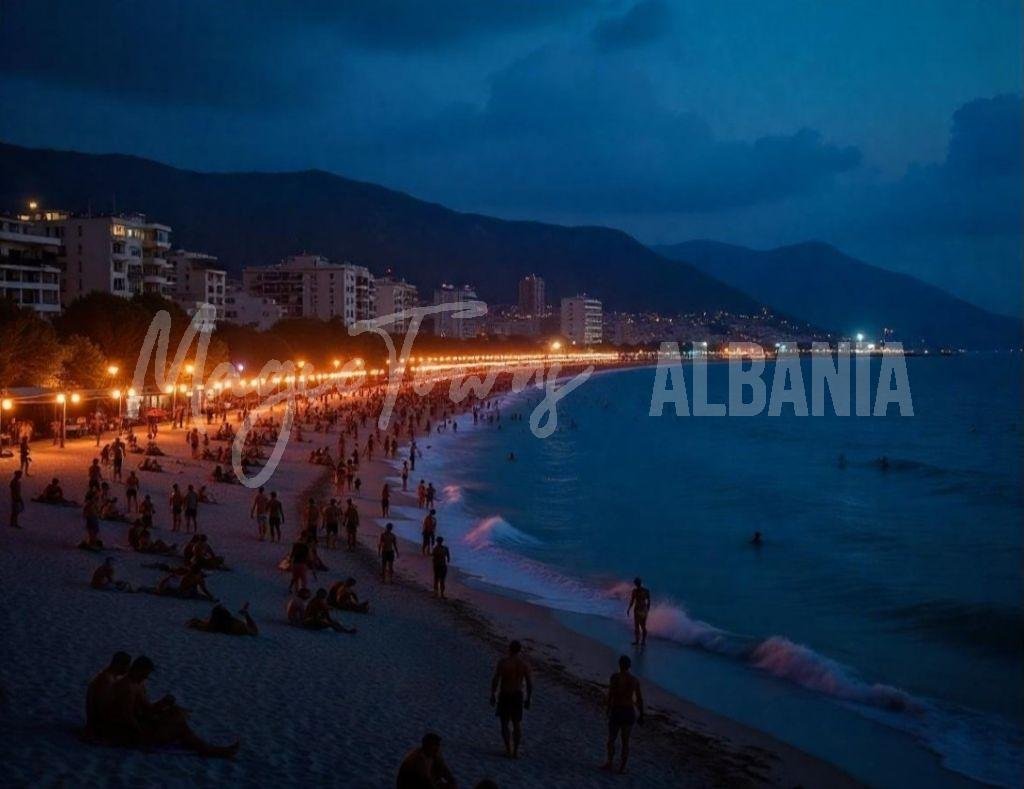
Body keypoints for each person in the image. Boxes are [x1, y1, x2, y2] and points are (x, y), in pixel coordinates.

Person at [103, 655, 239, 757]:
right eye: (146, 673)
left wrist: (163, 703)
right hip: (132, 731)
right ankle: (210, 750)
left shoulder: (137, 684)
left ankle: (208, 748)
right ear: (139, 670)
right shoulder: (127, 687)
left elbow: (147, 709)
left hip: (141, 721)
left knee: (176, 715)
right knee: (180, 729)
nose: (147, 676)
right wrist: (143, 735)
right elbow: (127, 717)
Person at [489, 640, 533, 759]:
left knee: (504, 723)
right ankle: (515, 751)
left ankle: (508, 749)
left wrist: (492, 694)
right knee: (516, 723)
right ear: (519, 650)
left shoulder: (504, 662)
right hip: (518, 695)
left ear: (509, 649)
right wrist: (528, 699)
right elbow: (529, 683)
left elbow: (496, 679)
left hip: (505, 694)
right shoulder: (524, 664)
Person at [602, 655, 644, 774]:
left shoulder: (615, 677)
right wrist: (642, 714)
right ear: (629, 666)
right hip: (629, 711)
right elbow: (640, 699)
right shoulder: (634, 680)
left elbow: (611, 695)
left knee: (611, 739)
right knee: (625, 741)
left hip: (617, 710)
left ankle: (609, 762)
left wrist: (608, 708)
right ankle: (622, 767)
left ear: (620, 664)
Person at [85, 651, 131, 740]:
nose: (128, 669)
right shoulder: (106, 680)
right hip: (100, 725)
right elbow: (101, 707)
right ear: (119, 665)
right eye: (127, 666)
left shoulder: (110, 677)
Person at [187, 603, 258, 636]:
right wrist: (247, 615)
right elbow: (255, 631)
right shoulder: (233, 623)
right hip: (238, 627)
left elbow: (205, 625)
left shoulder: (214, 625)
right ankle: (244, 612)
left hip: (231, 626)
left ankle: (244, 612)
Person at [627, 578, 651, 647]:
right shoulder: (640, 591)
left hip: (641, 610)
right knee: (639, 626)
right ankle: (639, 641)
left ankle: (641, 641)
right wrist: (629, 608)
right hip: (640, 610)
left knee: (641, 626)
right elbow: (632, 601)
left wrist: (647, 610)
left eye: (636, 583)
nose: (636, 584)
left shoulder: (642, 591)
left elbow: (649, 601)